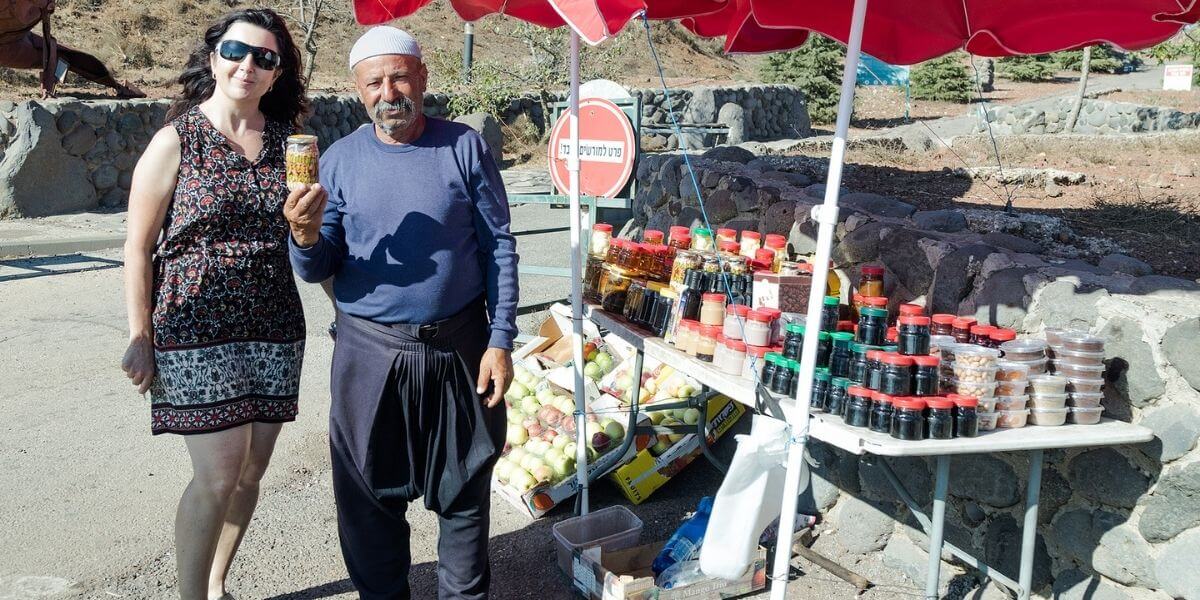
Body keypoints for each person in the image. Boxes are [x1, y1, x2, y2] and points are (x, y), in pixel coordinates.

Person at [285, 26, 518, 600]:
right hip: (369, 353)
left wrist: (501, 338)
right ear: (358, 90)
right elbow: (318, 266)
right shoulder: (337, 161)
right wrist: (305, 236)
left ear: (422, 78)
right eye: (375, 82)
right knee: (369, 508)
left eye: (399, 77)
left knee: (465, 499)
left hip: (460, 348)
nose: (389, 92)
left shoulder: (464, 146)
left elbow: (500, 246)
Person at [119, 9, 310, 600]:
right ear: (213, 58)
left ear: (278, 74)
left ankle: (218, 578)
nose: (247, 65)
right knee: (218, 473)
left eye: (265, 58)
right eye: (236, 51)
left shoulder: (292, 145)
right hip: (195, 326)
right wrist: (139, 335)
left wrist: (310, 231)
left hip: (274, 325)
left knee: (252, 471)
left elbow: (309, 238)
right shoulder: (175, 140)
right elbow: (137, 247)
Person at [0, 0, 144, 98]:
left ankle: (117, 86)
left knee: (70, 57)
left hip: (13, 45)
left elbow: (47, 34)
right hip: (12, 43)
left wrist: (47, 87)